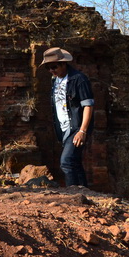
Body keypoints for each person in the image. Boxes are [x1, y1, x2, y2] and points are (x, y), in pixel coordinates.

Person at [39, 47, 94, 187]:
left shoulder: (79, 79)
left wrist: (82, 131)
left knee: (66, 162)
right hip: (64, 129)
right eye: (48, 68)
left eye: (54, 67)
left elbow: (88, 106)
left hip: (76, 127)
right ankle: (84, 192)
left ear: (63, 64)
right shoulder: (55, 80)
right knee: (75, 162)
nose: (51, 71)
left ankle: (73, 193)